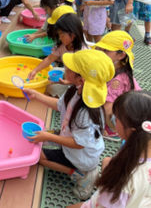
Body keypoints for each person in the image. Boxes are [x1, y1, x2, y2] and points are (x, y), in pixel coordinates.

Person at [25, 49, 115, 200]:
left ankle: (80, 174)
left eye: (69, 68)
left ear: (81, 79)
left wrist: (48, 136)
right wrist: (37, 95)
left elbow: (79, 144)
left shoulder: (85, 112)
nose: (65, 68)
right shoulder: (76, 90)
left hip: (80, 156)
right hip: (71, 140)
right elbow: (60, 105)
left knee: (38, 157)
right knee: (38, 136)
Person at [68, 90, 151, 208]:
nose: (113, 119)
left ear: (132, 131)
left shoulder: (124, 178)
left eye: (117, 118)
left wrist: (107, 168)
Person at [93, 30, 141, 141]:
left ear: (121, 55)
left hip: (127, 114)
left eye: (105, 50)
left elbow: (107, 109)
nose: (101, 53)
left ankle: (112, 130)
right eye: (100, 49)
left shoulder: (118, 80)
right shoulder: (114, 66)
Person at [27, 5, 87, 81]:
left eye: (62, 35)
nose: (59, 38)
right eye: (59, 35)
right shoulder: (64, 46)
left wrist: (67, 82)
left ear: (73, 34)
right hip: (69, 76)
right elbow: (49, 59)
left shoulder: (82, 52)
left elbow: (83, 78)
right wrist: (35, 70)